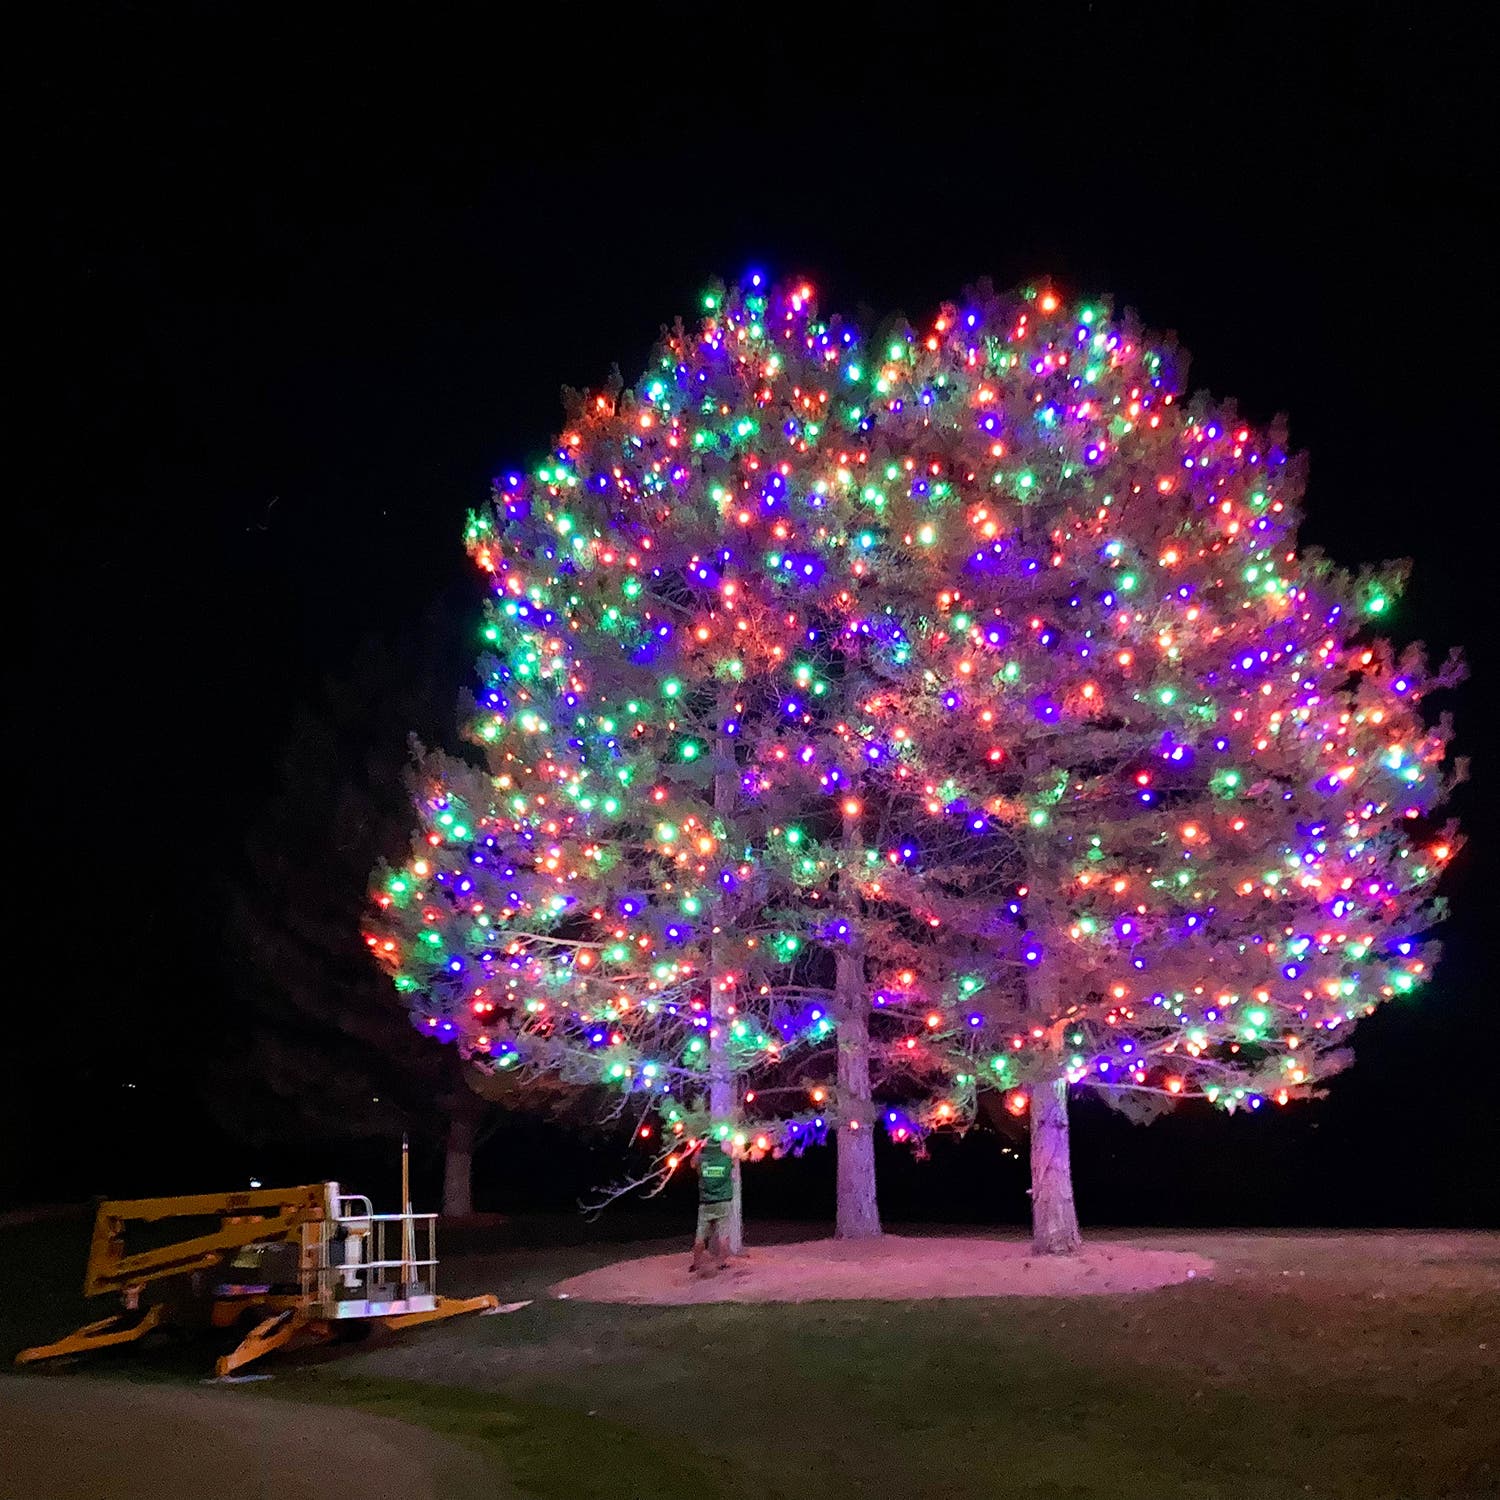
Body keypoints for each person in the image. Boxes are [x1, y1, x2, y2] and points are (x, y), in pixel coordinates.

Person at [690, 1138, 735, 1273]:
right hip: (723, 1202)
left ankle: (696, 1264)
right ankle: (721, 1263)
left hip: (705, 1203)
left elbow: (692, 1164)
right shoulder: (726, 1160)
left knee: (700, 1236)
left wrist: (698, 1147)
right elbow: (733, 1154)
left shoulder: (702, 1161)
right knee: (723, 1235)